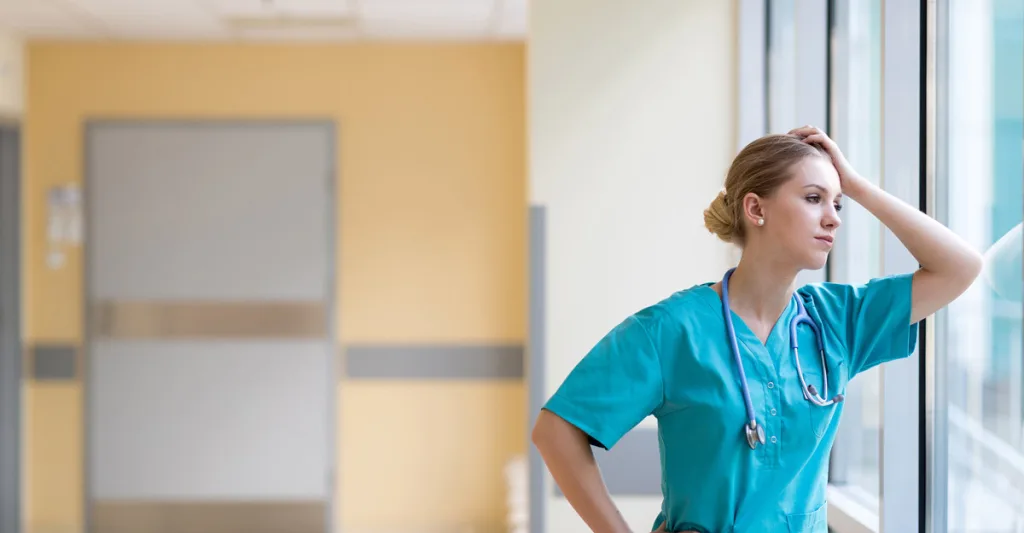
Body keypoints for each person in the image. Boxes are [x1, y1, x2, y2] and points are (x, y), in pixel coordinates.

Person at [530, 126, 984, 533]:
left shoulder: (837, 320)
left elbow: (960, 267)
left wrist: (858, 186)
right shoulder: (671, 330)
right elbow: (556, 431)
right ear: (755, 208)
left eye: (838, 203)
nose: (834, 218)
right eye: (813, 199)